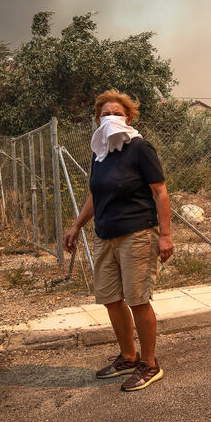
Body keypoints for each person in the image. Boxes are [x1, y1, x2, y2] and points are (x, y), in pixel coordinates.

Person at [63, 89, 173, 391]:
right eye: (105, 114)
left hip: (137, 234)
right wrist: (75, 227)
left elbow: (160, 192)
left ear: (129, 117)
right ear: (97, 119)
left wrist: (165, 235)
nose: (110, 118)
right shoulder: (101, 152)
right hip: (105, 235)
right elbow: (95, 195)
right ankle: (128, 356)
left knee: (138, 299)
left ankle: (150, 364)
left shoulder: (139, 148)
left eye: (117, 113)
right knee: (111, 298)